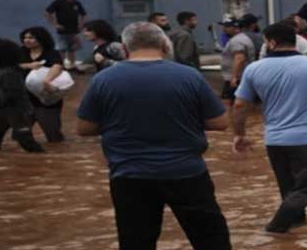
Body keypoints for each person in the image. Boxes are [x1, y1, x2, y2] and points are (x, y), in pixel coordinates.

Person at [76, 22, 232, 250]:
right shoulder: (189, 76)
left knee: (136, 241)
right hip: (187, 173)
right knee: (210, 239)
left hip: (129, 175)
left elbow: (84, 128)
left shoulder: (103, 80)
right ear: (164, 45)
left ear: (125, 49)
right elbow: (220, 122)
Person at [232, 22, 307, 233]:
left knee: (289, 191)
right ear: (296, 40)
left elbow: (240, 105)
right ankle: (275, 230)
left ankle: (296, 232)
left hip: (274, 140)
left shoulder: (254, 69)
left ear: (271, 42)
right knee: (306, 190)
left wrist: (239, 135)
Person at [0, 39, 45, 153]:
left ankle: (43, 159)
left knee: (26, 141)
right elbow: (6, 90)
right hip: (6, 109)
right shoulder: (9, 69)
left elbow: (11, 95)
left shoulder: (8, 73)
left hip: (18, 111)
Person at [18, 26, 65, 143]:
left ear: (41, 39)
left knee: (54, 137)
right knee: (20, 135)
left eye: (31, 37)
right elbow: (11, 66)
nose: (26, 40)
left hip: (46, 100)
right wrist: (29, 65)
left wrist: (47, 80)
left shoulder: (51, 53)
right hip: (24, 100)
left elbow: (57, 66)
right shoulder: (20, 52)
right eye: (25, 38)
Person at [45, 0, 87, 70]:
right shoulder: (58, 2)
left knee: (72, 49)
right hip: (62, 30)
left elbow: (84, 14)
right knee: (62, 49)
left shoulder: (76, 3)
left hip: (74, 30)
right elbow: (47, 13)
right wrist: (55, 24)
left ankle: (72, 65)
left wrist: (81, 25)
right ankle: (61, 66)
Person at [218, 16, 256, 108]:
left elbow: (239, 58)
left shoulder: (237, 41)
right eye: (223, 26)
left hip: (238, 79)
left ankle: (236, 122)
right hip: (240, 77)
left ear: (236, 28)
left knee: (235, 105)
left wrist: (234, 77)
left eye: (227, 27)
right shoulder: (238, 39)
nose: (224, 29)